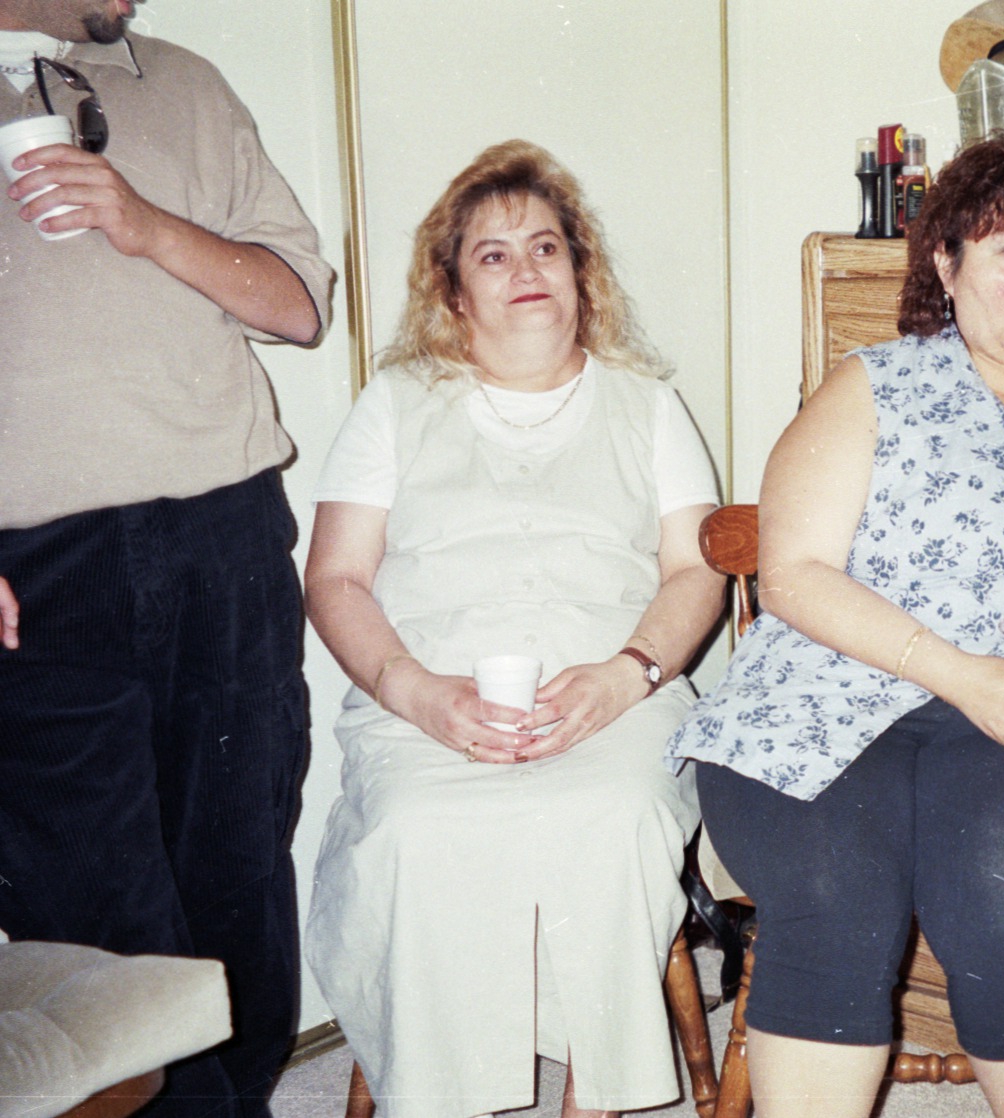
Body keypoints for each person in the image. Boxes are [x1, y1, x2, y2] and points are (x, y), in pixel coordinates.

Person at [669, 134, 1004, 1117]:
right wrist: (960, 673)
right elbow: (790, 574)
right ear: (947, 262)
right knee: (835, 898)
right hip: (820, 702)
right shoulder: (869, 387)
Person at [302, 140, 723, 1118]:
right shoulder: (395, 406)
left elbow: (695, 568)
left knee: (615, 816)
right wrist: (419, 693)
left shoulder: (647, 405)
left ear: (581, 272)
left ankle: (593, 1094)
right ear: (452, 291)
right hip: (427, 703)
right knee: (416, 830)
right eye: (493, 255)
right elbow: (335, 577)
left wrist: (628, 671)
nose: (526, 269)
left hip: (619, 697)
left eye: (546, 247)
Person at [0, 1, 332, 1112]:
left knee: (239, 871)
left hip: (222, 532)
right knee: (93, 910)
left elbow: (297, 306)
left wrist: (145, 224)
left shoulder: (183, 83)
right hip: (34, 569)